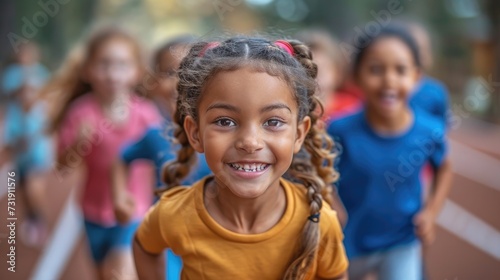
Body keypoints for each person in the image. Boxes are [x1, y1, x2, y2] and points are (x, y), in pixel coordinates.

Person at [133, 37, 349, 279]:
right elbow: (144, 247)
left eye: (273, 122)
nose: (250, 142)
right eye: (225, 121)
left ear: (299, 134)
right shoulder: (174, 214)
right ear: (195, 133)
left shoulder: (318, 221)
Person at [327, 26, 453, 280]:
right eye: (375, 69)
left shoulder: (430, 131)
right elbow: (322, 170)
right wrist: (332, 202)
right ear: (357, 76)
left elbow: (444, 167)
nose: (389, 81)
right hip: (347, 240)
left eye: (401, 70)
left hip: (401, 242)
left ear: (417, 77)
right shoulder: (339, 129)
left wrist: (431, 213)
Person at [46, 27, 161, 279]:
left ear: (136, 72)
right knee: (101, 274)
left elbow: (162, 157)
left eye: (121, 65)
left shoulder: (146, 115)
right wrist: (77, 144)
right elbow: (63, 166)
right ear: (87, 70)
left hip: (133, 211)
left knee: (121, 274)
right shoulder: (80, 113)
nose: (112, 74)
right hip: (92, 212)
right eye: (104, 64)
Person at [111, 35, 211, 280]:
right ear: (154, 82)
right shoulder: (154, 135)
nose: (180, 82)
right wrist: (120, 197)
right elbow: (121, 159)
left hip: (214, 241)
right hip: (166, 240)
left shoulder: (224, 134)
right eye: (169, 73)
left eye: (192, 71)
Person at [0, 42, 52, 247]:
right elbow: (9, 95)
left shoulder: (41, 73)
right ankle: (32, 218)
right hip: (16, 135)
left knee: (33, 183)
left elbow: (46, 96)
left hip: (36, 138)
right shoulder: (11, 75)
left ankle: (40, 220)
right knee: (22, 186)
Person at [296, 30, 362, 122]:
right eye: (309, 69)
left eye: (323, 68)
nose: (317, 76)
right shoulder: (296, 110)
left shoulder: (352, 108)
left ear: (338, 73)